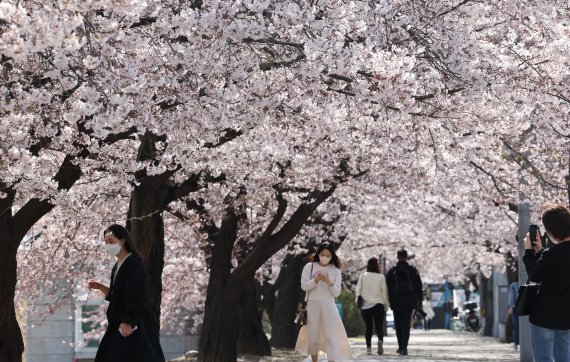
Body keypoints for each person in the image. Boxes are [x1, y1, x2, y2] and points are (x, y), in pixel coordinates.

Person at [87, 224, 165, 362]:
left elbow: (137, 294)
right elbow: (117, 296)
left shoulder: (133, 264)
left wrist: (128, 321)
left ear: (122, 240)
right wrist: (100, 286)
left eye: (111, 241)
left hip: (131, 323)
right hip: (119, 322)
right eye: (106, 243)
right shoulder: (117, 266)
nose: (108, 246)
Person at [523, 204, 570, 362]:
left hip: (545, 316)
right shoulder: (550, 254)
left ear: (551, 229)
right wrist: (541, 252)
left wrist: (529, 253)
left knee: (544, 359)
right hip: (567, 317)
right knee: (564, 358)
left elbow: (535, 277)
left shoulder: (551, 254)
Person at [298, 242, 352, 362]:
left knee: (330, 335)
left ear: (332, 256)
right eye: (322, 254)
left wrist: (328, 281)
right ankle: (314, 360)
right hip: (312, 303)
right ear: (318, 254)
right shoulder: (309, 266)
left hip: (329, 304)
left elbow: (337, 292)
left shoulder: (336, 271)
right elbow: (304, 286)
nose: (325, 257)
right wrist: (316, 280)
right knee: (313, 336)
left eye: (328, 255)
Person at [386, 249, 423, 356]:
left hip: (396, 301)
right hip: (409, 301)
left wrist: (389, 300)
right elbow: (418, 286)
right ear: (406, 257)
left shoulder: (392, 271)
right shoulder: (413, 270)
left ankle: (400, 346)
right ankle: (404, 347)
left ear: (397, 257)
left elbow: (387, 287)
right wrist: (419, 301)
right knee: (406, 324)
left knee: (398, 324)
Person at [355, 257, 390, 355]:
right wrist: (386, 305)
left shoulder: (362, 276)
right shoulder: (381, 277)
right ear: (377, 266)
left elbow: (358, 290)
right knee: (379, 326)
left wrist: (358, 300)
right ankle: (380, 341)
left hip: (365, 306)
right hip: (378, 304)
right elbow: (384, 292)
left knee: (368, 327)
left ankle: (369, 348)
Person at [507, 281, 520, 351]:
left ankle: (516, 343)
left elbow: (511, 297)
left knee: (516, 327)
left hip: (517, 308)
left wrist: (510, 307)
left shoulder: (514, 285)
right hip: (528, 308)